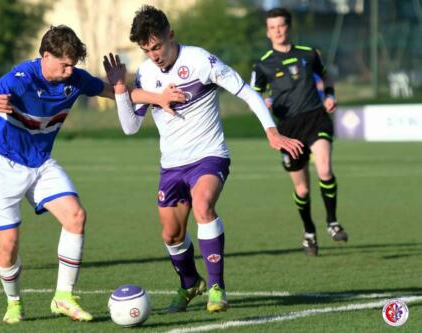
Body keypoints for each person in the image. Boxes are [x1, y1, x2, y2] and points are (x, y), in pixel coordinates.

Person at [0, 25, 183, 324]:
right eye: (64, 64)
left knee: (76, 216)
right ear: (45, 55)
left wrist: (157, 97)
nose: (70, 70)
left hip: (40, 161)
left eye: (73, 64)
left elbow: (117, 93)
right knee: (8, 246)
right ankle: (14, 302)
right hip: (0, 162)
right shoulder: (21, 78)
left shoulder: (76, 79)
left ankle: (63, 297)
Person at [105, 5, 303, 313]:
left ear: (170, 34)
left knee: (203, 206)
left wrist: (272, 132)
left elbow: (248, 92)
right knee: (171, 234)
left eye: (157, 46)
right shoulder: (145, 72)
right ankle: (189, 284)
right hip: (171, 165)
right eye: (147, 50)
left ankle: (216, 288)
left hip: (209, 155)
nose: (154, 55)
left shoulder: (201, 61)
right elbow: (130, 127)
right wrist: (120, 90)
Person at [250, 7, 348, 257]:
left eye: (281, 25)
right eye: (272, 27)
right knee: (302, 190)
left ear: (288, 27)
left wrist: (330, 96)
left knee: (324, 169)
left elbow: (327, 78)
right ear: (267, 32)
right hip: (288, 129)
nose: (278, 31)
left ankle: (332, 222)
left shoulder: (309, 54)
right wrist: (266, 104)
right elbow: (253, 96)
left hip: (316, 119)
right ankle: (309, 232)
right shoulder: (262, 64)